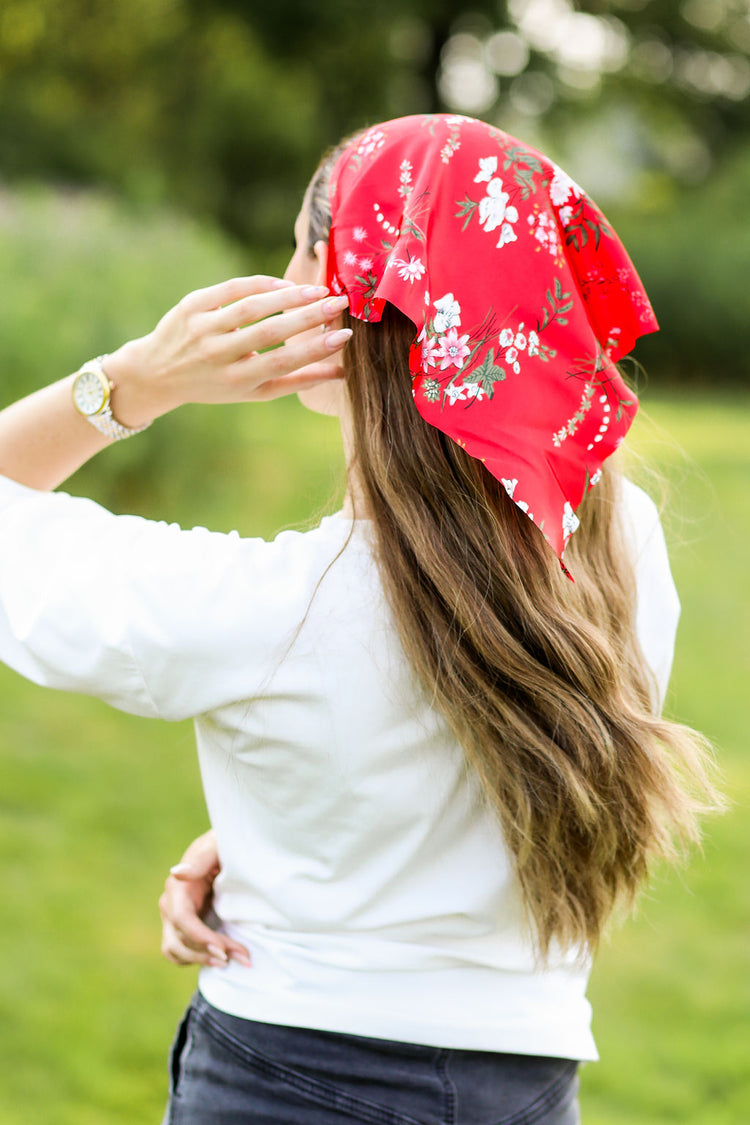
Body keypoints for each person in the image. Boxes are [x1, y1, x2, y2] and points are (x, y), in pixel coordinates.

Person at [0, 114, 720, 1125]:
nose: (283, 277)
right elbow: (478, 737)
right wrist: (278, 831)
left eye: (305, 247)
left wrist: (132, 382)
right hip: (528, 1090)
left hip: (283, 1085)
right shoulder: (618, 548)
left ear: (367, 308)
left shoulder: (267, 614)